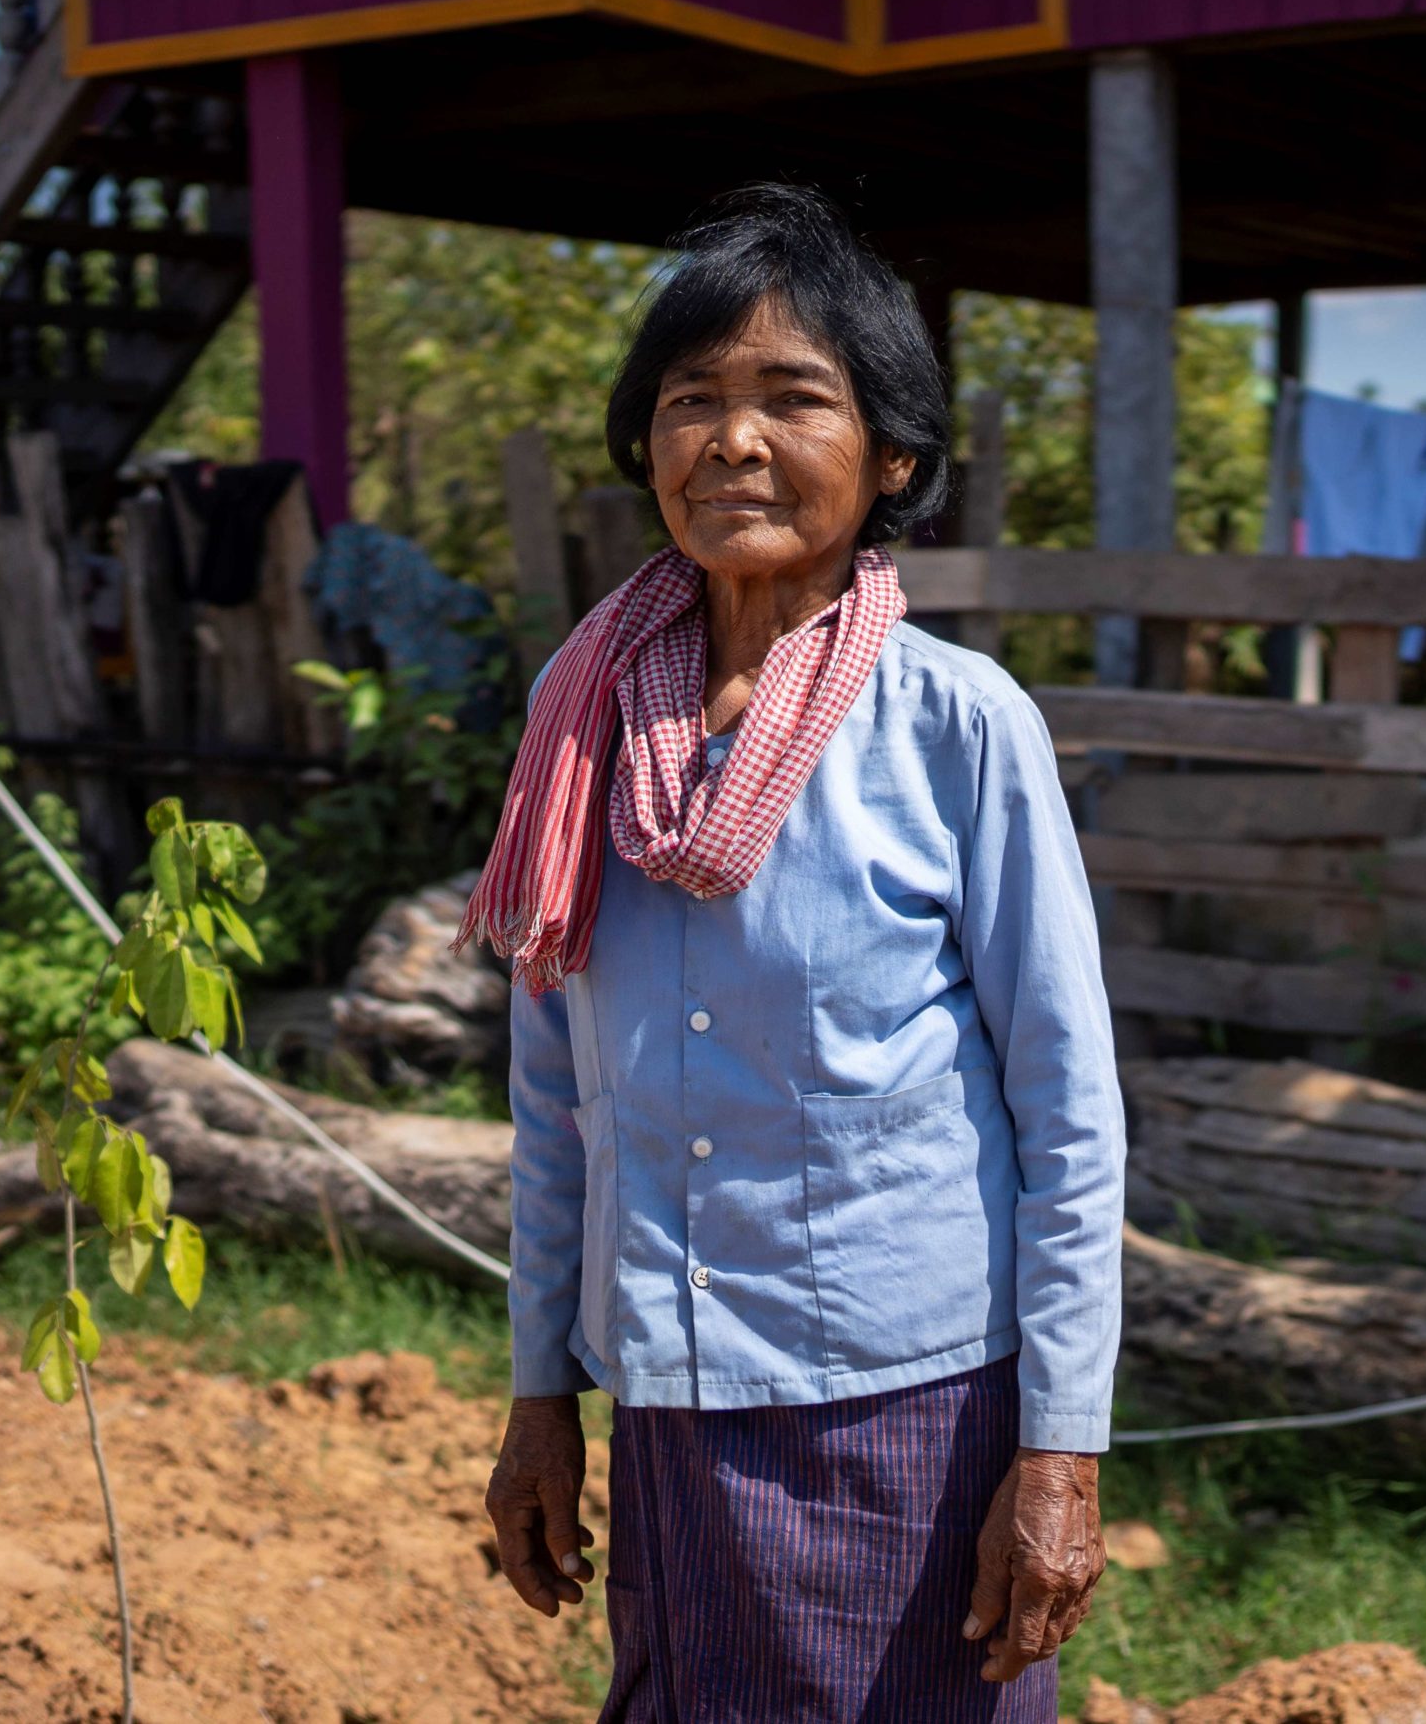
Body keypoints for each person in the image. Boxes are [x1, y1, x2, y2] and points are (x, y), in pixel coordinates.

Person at [465, 182, 1126, 1722]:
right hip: (676, 1413)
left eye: (793, 398)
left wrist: (1060, 1449)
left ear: (890, 455)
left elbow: (1072, 1120)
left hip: (912, 1415)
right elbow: (555, 1106)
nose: (733, 440)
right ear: (647, 448)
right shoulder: (584, 728)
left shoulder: (963, 727)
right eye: (691, 400)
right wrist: (539, 1393)